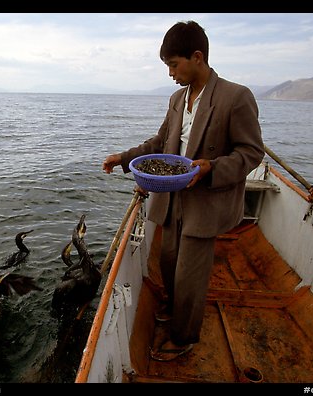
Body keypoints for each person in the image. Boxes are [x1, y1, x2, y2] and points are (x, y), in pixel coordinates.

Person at [102, 20, 265, 362]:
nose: (171, 74)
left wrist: (211, 168)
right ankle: (174, 308)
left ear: (197, 57)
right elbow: (162, 142)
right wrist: (123, 158)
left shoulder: (236, 97)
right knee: (169, 259)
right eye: (168, 67)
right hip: (172, 196)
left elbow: (251, 152)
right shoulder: (178, 98)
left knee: (190, 273)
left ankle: (184, 336)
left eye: (174, 65)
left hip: (205, 202)